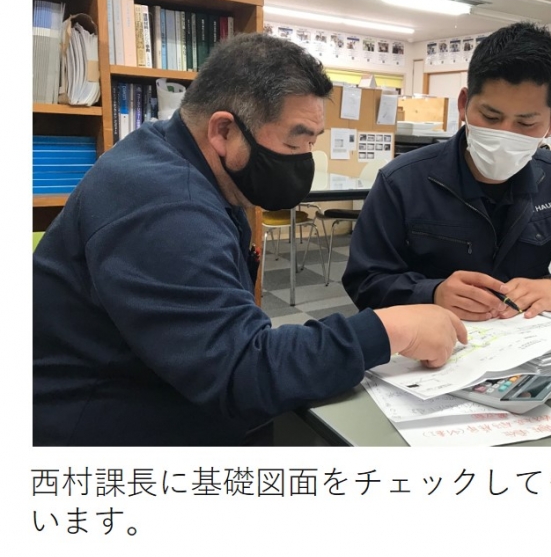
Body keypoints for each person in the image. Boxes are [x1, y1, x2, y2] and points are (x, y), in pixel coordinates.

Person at [33, 33, 466, 447]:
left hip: (156, 389)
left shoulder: (174, 156)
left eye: (312, 143)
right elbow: (241, 371)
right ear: (223, 130)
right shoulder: (165, 207)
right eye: (295, 143)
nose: (304, 161)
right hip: (99, 431)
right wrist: (387, 330)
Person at [343, 22, 551, 321]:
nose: (504, 134)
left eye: (526, 123)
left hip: (525, 335)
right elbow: (366, 280)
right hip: (433, 336)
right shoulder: (402, 181)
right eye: (491, 117)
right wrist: (432, 293)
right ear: (464, 104)